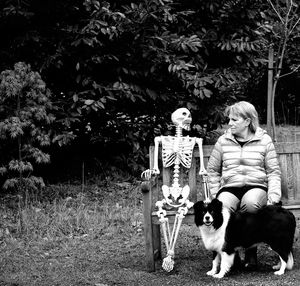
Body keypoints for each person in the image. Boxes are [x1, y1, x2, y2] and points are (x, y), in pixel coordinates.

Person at [207, 101, 281, 269]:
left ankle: (250, 252)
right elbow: (212, 170)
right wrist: (214, 196)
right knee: (223, 206)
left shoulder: (264, 140)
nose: (230, 124)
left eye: (234, 120)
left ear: (248, 121)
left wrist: (274, 197)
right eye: (229, 120)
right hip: (230, 187)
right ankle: (230, 253)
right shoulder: (223, 140)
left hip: (256, 186)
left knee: (251, 203)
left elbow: (273, 171)